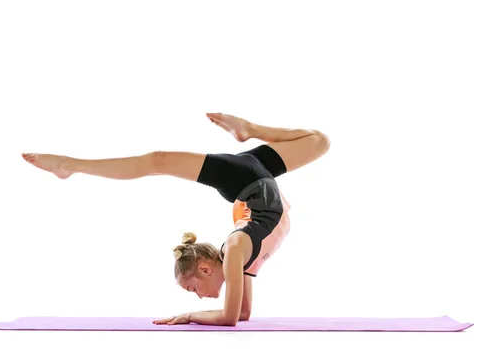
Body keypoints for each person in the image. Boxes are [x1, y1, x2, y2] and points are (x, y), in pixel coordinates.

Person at [22, 112, 330, 326]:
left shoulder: (236, 249)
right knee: (319, 141)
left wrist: (191, 314)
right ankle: (247, 129)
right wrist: (199, 314)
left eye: (192, 289)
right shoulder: (240, 256)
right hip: (252, 180)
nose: (199, 296)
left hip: (247, 181)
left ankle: (69, 165)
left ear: (206, 267)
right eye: (192, 292)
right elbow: (239, 315)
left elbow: (230, 316)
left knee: (157, 161)